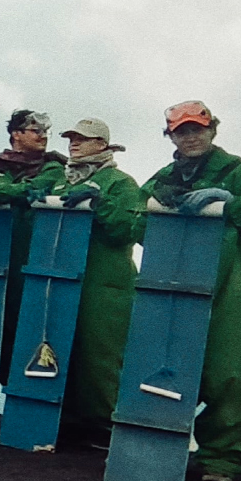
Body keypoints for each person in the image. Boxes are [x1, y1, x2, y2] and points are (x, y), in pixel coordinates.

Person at [142, 101, 241, 481]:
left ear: (213, 129)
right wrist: (155, 207)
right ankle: (156, 447)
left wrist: (229, 203)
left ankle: (221, 460)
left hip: (234, 284)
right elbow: (133, 220)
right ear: (170, 135)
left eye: (197, 128)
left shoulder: (238, 171)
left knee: (232, 370)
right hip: (172, 284)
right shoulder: (163, 177)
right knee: (164, 363)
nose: (191, 136)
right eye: (181, 130)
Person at [43, 118, 145, 449]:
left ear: (102, 144)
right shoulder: (63, 180)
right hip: (65, 279)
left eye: (82, 139)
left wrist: (100, 203)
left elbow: (128, 230)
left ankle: (105, 425)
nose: (73, 143)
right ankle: (68, 420)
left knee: (102, 354)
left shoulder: (120, 182)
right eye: (71, 138)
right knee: (62, 345)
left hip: (105, 285)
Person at [0, 109, 68, 380]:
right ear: (16, 134)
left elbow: (30, 190)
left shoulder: (53, 166)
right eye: (35, 130)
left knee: (28, 321)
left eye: (45, 131)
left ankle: (20, 388)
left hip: (33, 254)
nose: (42, 136)